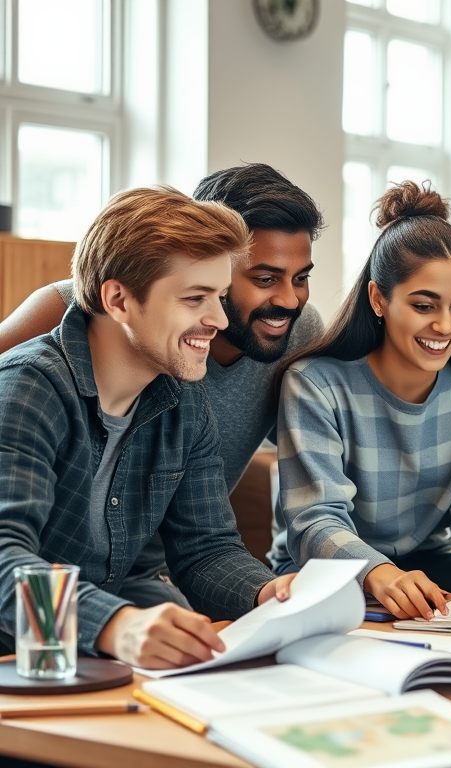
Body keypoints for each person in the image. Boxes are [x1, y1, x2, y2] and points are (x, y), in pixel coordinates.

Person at [0, 163, 324, 608]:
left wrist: (271, 594)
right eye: (196, 298)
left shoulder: (183, 395)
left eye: (218, 294)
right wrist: (115, 626)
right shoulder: (29, 384)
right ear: (118, 300)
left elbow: (206, 549)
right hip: (34, 613)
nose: (219, 319)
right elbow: (8, 562)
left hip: (129, 583)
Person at [269, 181, 451, 621]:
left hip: (425, 565)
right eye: (425, 306)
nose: (445, 325)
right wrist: (380, 573)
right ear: (379, 299)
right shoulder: (314, 384)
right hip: (322, 571)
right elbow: (315, 520)